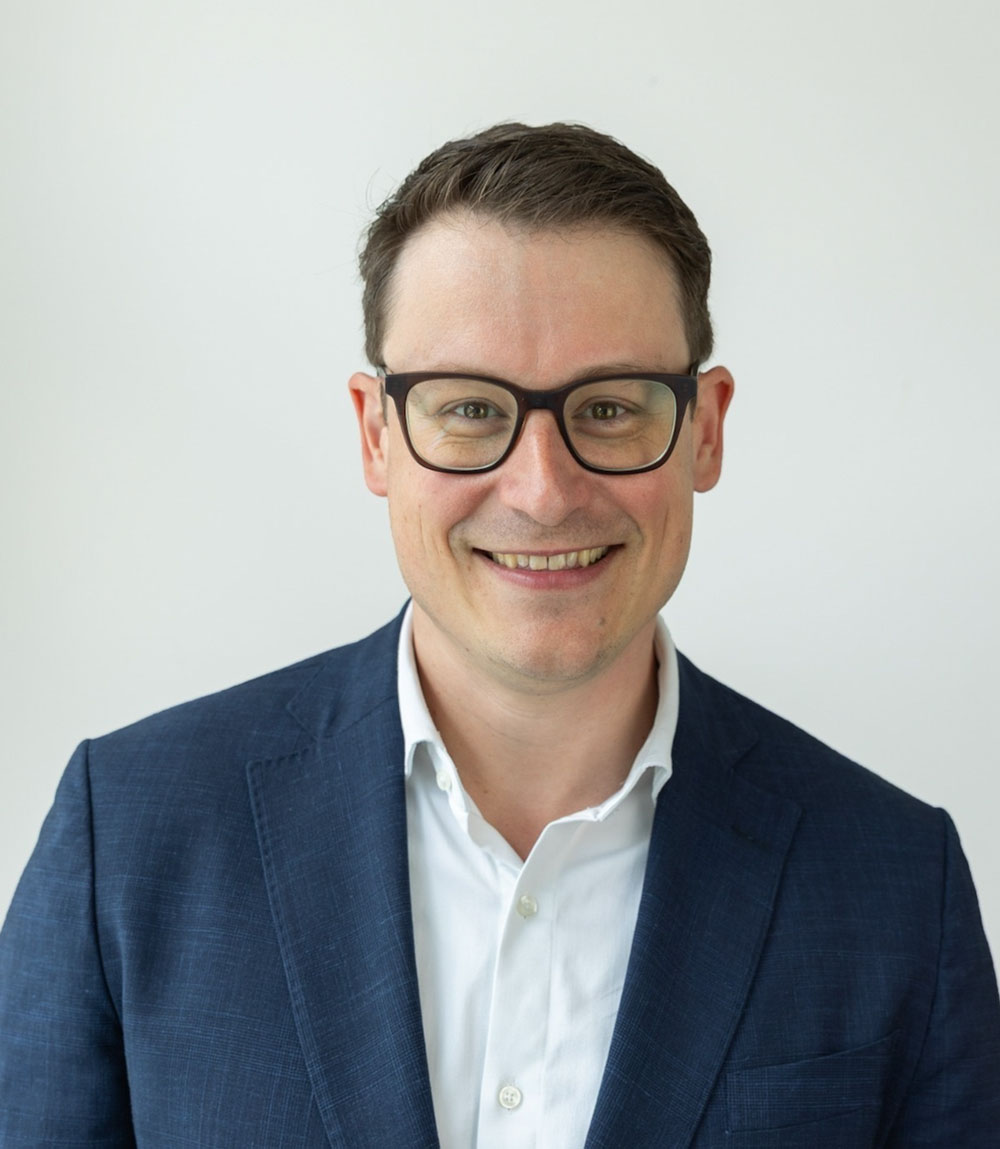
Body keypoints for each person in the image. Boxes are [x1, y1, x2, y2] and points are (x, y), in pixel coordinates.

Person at [1, 122, 998, 1148]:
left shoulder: (896, 888)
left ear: (704, 429)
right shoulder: (127, 837)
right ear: (376, 434)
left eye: (609, 409)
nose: (541, 492)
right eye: (472, 409)